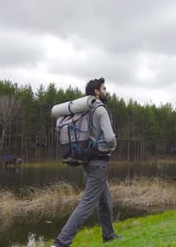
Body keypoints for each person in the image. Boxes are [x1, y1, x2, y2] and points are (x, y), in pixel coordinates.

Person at [52, 77, 121, 247]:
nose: (107, 91)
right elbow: (110, 137)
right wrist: (113, 145)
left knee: (105, 200)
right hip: (99, 163)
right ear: (96, 92)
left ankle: (109, 235)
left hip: (88, 161)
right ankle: (61, 243)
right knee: (87, 204)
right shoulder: (100, 109)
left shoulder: (84, 111)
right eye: (104, 88)